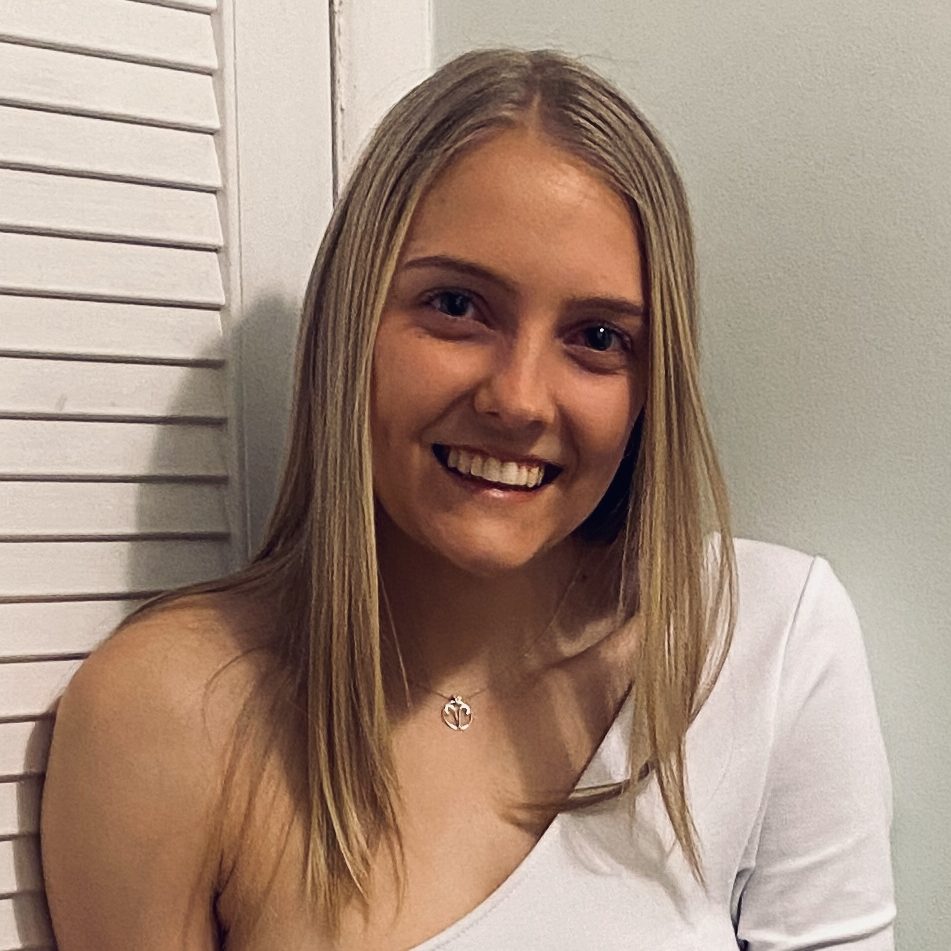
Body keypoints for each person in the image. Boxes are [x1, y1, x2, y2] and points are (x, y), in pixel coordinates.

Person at [39, 48, 895, 950]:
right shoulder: (173, 714)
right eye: (456, 305)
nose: (518, 400)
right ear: (351, 323)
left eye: (597, 336)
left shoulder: (764, 641)